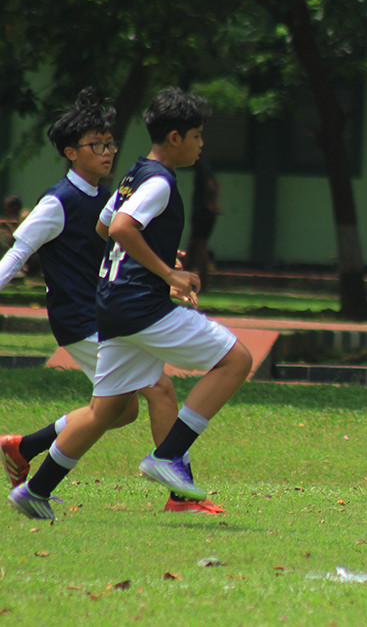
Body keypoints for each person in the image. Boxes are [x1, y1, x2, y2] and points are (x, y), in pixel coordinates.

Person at [7, 87, 252, 521]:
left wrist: (154, 253)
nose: (202, 144)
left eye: (109, 143)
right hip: (135, 308)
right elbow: (120, 228)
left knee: (108, 409)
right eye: (197, 135)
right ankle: (170, 460)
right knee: (236, 360)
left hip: (110, 308)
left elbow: (105, 226)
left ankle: (35, 489)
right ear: (174, 138)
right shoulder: (156, 181)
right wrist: (167, 273)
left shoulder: (132, 176)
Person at [182, 159, 221, 291]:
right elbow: (217, 185)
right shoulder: (207, 168)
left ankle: (203, 283)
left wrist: (208, 204)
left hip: (202, 213)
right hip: (206, 212)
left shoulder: (202, 168)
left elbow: (211, 186)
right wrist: (214, 204)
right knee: (194, 246)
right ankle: (185, 279)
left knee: (199, 245)